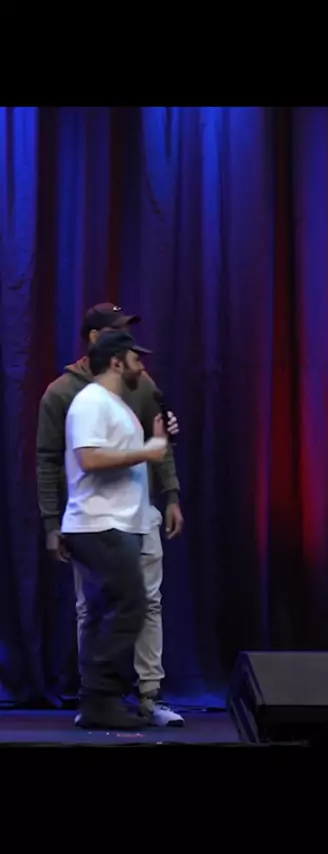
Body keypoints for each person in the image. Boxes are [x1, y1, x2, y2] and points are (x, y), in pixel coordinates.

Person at [36, 303, 185, 726]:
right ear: (106, 349)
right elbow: (79, 458)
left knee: (135, 604)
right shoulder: (81, 398)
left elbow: (149, 445)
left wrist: (164, 460)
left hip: (132, 517)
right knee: (116, 606)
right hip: (99, 520)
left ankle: (130, 698)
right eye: (132, 351)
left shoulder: (126, 395)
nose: (140, 359)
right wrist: (52, 523)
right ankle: (99, 697)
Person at [62, 329, 169, 729]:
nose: (142, 367)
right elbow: (89, 459)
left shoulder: (114, 404)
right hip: (99, 523)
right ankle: (101, 697)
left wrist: (157, 442)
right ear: (116, 362)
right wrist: (147, 450)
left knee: (105, 611)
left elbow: (124, 456)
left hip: (114, 522)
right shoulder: (91, 401)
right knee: (129, 606)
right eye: (136, 360)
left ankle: (97, 701)